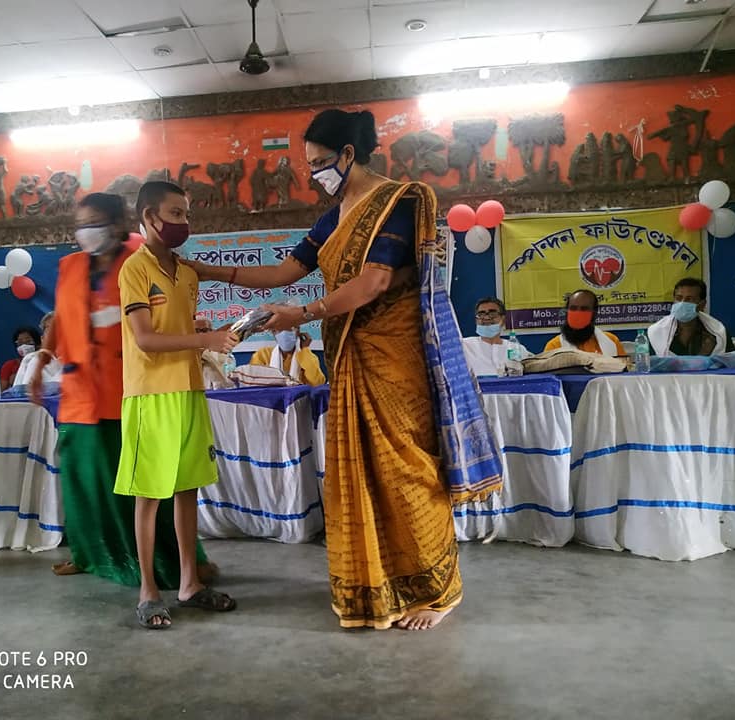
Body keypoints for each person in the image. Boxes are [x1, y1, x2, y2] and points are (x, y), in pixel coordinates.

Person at [184, 109, 501, 631]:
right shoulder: (334, 218)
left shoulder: (398, 202)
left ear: (348, 154)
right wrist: (206, 269)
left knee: (406, 466)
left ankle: (437, 590)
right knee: (364, 470)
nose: (313, 174)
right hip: (350, 355)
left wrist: (303, 313)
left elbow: (376, 281)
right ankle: (383, 583)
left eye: (318, 163)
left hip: (396, 354)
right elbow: (286, 271)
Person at [28, 192, 217, 587]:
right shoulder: (70, 266)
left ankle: (175, 565)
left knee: (150, 484)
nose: (86, 231)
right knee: (84, 480)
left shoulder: (142, 259)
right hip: (81, 393)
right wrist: (44, 355)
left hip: (135, 390)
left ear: (117, 224)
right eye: (81, 225)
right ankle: (91, 553)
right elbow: (61, 315)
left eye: (94, 222)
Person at [116, 180, 239, 629]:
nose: (183, 223)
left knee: (188, 490)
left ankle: (189, 584)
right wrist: (205, 339)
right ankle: (149, 591)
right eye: (174, 214)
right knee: (150, 496)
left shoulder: (186, 272)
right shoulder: (134, 269)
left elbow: (176, 330)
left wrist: (201, 330)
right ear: (149, 218)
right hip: (150, 394)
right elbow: (146, 339)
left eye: (186, 214)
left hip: (189, 389)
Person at [647, 278, 735, 356]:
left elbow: (732, 363)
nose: (682, 303)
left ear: (702, 305)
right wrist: (703, 354)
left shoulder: (717, 333)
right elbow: (649, 365)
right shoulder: (657, 332)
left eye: (689, 299)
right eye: (678, 298)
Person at [544, 289, 625, 356]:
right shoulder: (554, 346)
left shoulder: (611, 341)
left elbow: (624, 368)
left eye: (584, 309)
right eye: (573, 308)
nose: (578, 313)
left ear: (594, 313)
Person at [462, 297, 531, 376]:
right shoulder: (463, 346)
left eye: (492, 314)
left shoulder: (516, 348)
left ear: (503, 319)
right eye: (481, 314)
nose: (486, 318)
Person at [250, 329, 326, 386]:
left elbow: (317, 383)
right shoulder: (262, 355)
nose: (285, 333)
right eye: (280, 329)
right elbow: (254, 384)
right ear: (274, 333)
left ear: (298, 332)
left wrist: (305, 349)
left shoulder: (306, 355)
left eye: (290, 329)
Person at [13, 312, 62, 387]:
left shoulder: (77, 359)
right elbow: (20, 390)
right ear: (42, 338)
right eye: (49, 328)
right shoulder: (32, 359)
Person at [1, 325, 41, 390]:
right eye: (20, 342)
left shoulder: (45, 363)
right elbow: (1, 392)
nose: (24, 345)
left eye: (28, 341)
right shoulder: (9, 366)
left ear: (37, 343)